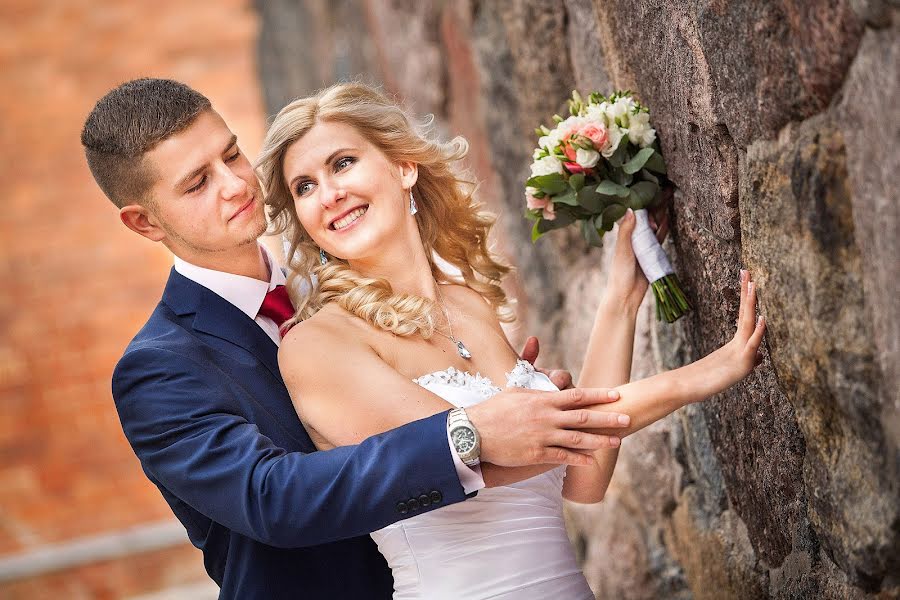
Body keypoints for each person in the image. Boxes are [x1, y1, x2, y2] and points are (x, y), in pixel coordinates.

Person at [81, 78, 634, 599]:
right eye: (198, 184)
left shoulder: (347, 286)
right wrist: (469, 432)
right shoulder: (159, 370)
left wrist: (506, 395)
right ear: (145, 223)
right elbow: (272, 499)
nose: (235, 185)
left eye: (230, 155)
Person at [256, 82, 767, 599]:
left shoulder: (467, 304)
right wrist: (705, 373)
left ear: (404, 166)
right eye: (304, 186)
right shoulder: (318, 345)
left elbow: (583, 477)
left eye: (342, 163)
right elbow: (493, 456)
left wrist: (622, 298)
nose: (328, 194)